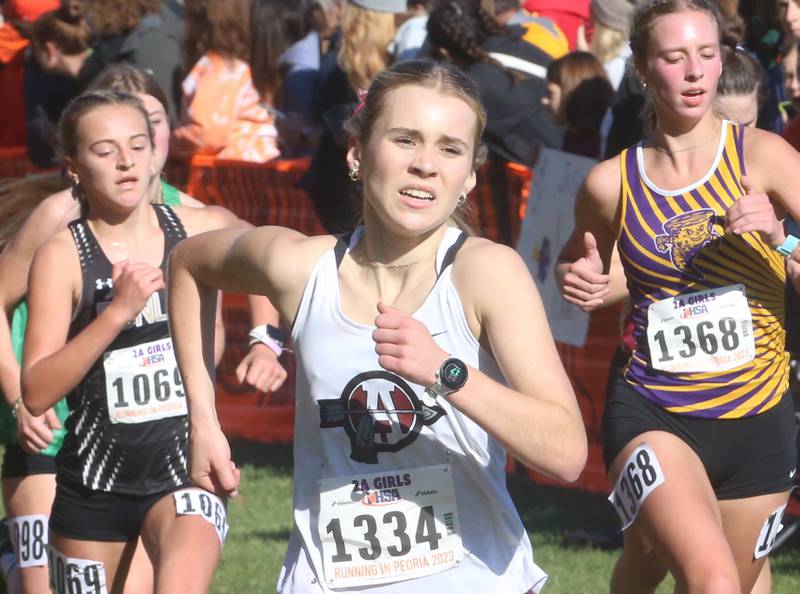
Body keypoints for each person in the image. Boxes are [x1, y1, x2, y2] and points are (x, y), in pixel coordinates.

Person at [168, 59, 587, 593]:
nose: (426, 165)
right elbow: (186, 263)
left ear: (468, 180)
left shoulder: (485, 272)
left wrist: (446, 371)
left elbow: (568, 452)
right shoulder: (300, 268)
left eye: (450, 148)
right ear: (357, 155)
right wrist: (201, 424)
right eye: (406, 140)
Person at [0, 64, 286, 594]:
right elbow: (38, 390)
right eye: (106, 151)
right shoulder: (62, 254)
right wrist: (116, 312)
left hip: (183, 469)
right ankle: (15, 561)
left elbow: (274, 258)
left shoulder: (198, 229)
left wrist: (266, 340)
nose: (127, 160)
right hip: (91, 483)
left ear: (157, 149)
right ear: (74, 167)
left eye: (138, 143)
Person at [556, 1, 800, 593]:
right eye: (674, 57)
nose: (694, 71)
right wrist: (579, 278)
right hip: (653, 407)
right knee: (713, 579)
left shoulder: (765, 156)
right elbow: (577, 260)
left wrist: (782, 237)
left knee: (716, 580)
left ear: (722, 64)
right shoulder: (609, 182)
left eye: (707, 54)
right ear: (642, 68)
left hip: (760, 417)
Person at [172, 0, 280, 162]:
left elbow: (205, 134)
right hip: (258, 170)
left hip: (230, 177)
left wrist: (162, 143)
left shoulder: (220, 69)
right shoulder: (249, 66)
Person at [542, 50, 614, 159]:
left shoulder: (596, 148)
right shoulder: (573, 136)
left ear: (569, 93)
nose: (544, 100)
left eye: (550, 94)